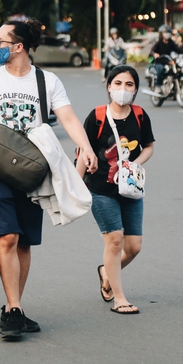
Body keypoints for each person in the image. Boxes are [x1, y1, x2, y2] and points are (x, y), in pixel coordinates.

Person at [0, 19, 98, 341]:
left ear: (18, 46)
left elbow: (69, 118)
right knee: (8, 237)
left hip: (32, 169)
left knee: (26, 241)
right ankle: (14, 309)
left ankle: (12, 307)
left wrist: (85, 148)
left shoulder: (46, 81)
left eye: (1, 40)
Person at [76, 65, 154, 315]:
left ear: (135, 89)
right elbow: (83, 152)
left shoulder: (140, 115)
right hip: (99, 187)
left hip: (130, 187)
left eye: (129, 85)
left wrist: (133, 165)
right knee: (115, 240)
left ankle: (106, 272)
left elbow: (149, 147)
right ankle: (120, 298)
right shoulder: (97, 116)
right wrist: (76, 186)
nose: (123, 89)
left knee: (134, 247)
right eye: (118, 83)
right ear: (109, 87)